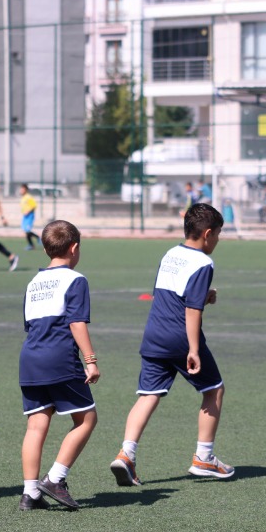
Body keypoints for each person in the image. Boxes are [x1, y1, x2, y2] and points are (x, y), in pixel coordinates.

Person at [108, 203, 235, 486]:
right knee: (213, 390)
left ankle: (126, 454)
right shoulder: (204, 262)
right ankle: (204, 457)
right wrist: (192, 348)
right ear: (208, 233)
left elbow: (171, 295)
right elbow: (190, 309)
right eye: (218, 235)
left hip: (154, 334)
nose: (217, 241)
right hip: (180, 336)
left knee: (148, 395)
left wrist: (204, 295)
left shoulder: (171, 254)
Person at [18, 219, 100, 511]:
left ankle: (30, 494)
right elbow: (76, 323)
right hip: (59, 358)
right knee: (87, 419)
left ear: (44, 248)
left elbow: (29, 325)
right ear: (74, 248)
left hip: (29, 359)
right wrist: (90, 360)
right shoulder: (75, 280)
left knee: (36, 425)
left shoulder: (33, 283)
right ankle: (55, 478)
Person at [18, 183, 41, 251]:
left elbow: (34, 205)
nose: (21, 190)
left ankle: (37, 238)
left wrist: (28, 211)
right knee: (25, 231)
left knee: (27, 231)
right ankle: (31, 245)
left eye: (22, 189)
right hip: (25, 216)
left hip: (29, 216)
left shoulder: (28, 197)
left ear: (26, 190)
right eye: (21, 189)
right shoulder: (23, 197)